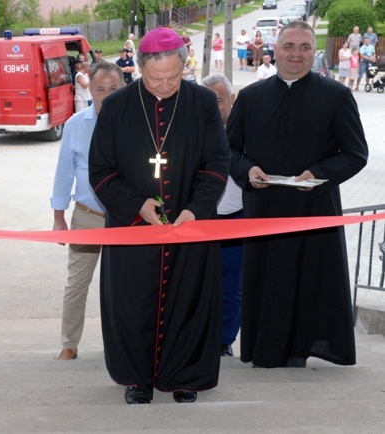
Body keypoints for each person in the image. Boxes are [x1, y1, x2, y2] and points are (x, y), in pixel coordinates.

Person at [88, 27, 230, 405]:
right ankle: (137, 379)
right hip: (133, 228)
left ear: (185, 67)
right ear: (139, 69)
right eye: (156, 79)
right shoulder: (117, 107)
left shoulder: (201, 103)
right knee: (133, 304)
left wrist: (195, 209)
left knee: (190, 301)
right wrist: (137, 204)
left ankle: (185, 377)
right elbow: (100, 171)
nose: (166, 86)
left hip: (189, 224)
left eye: (174, 77)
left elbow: (218, 163)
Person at [227, 21, 368, 369]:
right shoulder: (251, 97)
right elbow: (227, 150)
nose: (296, 54)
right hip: (262, 209)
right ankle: (265, 348)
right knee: (265, 280)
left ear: (313, 52)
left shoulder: (336, 96)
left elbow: (355, 153)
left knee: (309, 281)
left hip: (313, 209)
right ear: (275, 50)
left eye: (304, 47)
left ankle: (301, 349)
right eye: (289, 46)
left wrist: (319, 174)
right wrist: (247, 172)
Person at [51, 62, 125, 361]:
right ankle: (69, 343)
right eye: (100, 90)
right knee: (77, 283)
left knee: (124, 285)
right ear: (89, 89)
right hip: (87, 217)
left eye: (114, 90)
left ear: (125, 88)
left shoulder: (135, 124)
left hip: (125, 220)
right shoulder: (75, 125)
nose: (106, 96)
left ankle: (123, 345)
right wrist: (59, 219)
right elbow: (64, 173)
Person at [201, 73, 243, 358]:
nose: (213, 107)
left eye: (217, 101)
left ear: (231, 100)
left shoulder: (244, 136)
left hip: (236, 220)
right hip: (202, 221)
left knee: (232, 286)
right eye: (207, 102)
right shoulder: (194, 135)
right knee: (199, 284)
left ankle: (224, 340)